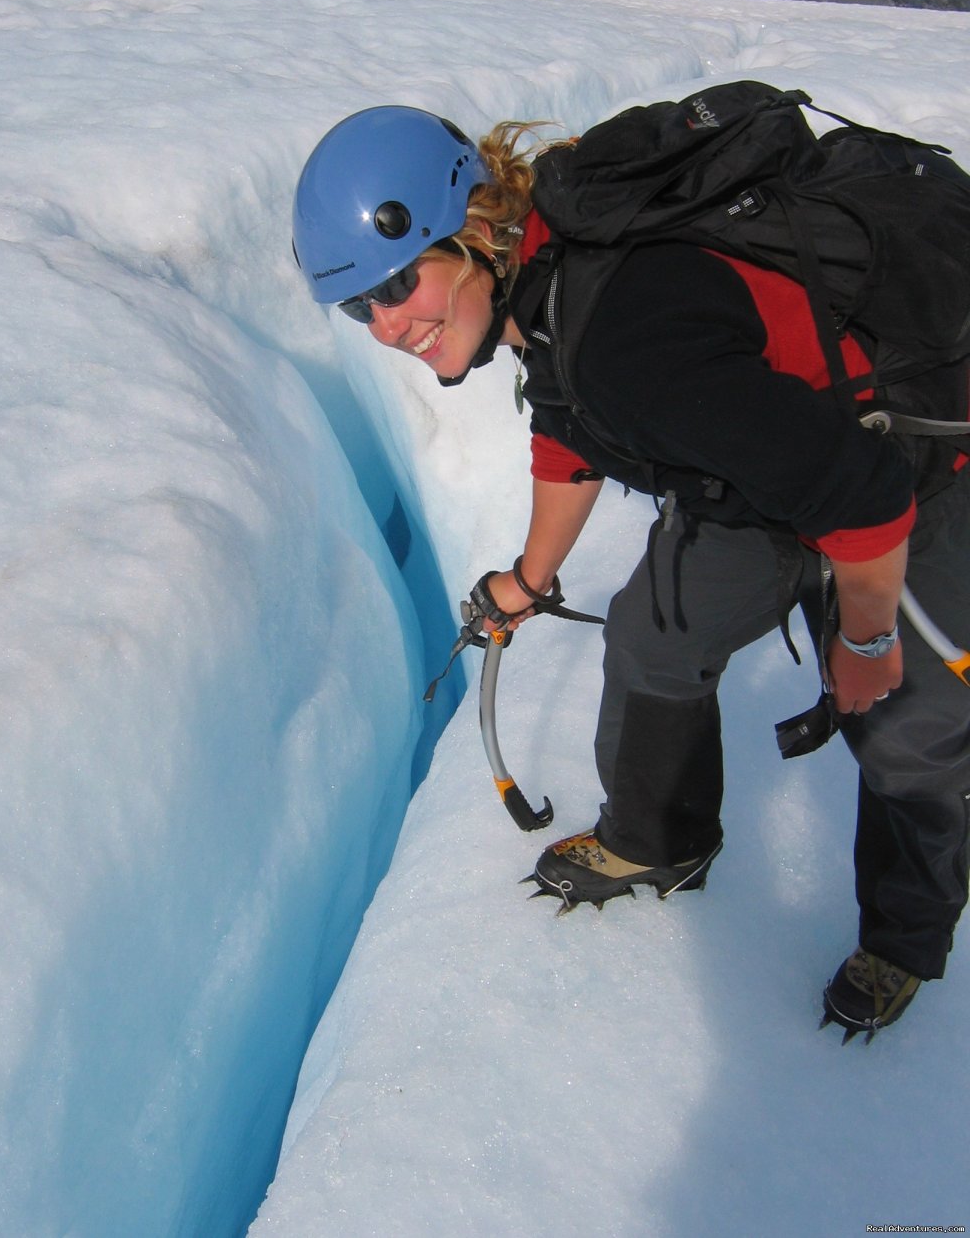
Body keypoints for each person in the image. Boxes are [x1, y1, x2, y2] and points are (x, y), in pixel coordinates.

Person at [292, 102, 970, 1042]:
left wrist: (866, 638)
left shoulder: (624, 336)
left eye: (398, 282)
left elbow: (863, 497)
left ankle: (903, 937)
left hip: (901, 472)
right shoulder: (553, 275)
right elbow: (571, 424)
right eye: (358, 304)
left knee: (909, 732)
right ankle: (660, 841)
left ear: (471, 232)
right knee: (657, 633)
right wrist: (528, 580)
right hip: (765, 470)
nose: (384, 324)